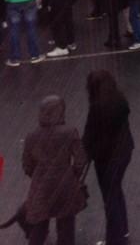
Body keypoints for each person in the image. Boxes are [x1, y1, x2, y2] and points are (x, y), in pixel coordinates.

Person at [21, 95, 87, 245]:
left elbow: (27, 165)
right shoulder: (69, 132)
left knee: (39, 226)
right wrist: (73, 175)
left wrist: (38, 176)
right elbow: (80, 159)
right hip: (65, 185)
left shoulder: (32, 136)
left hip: (41, 187)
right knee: (66, 227)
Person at [83, 70, 133, 245]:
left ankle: (116, 238)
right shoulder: (120, 101)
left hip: (106, 159)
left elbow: (89, 136)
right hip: (124, 153)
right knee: (116, 192)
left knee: (110, 198)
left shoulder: (96, 107)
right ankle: (122, 231)